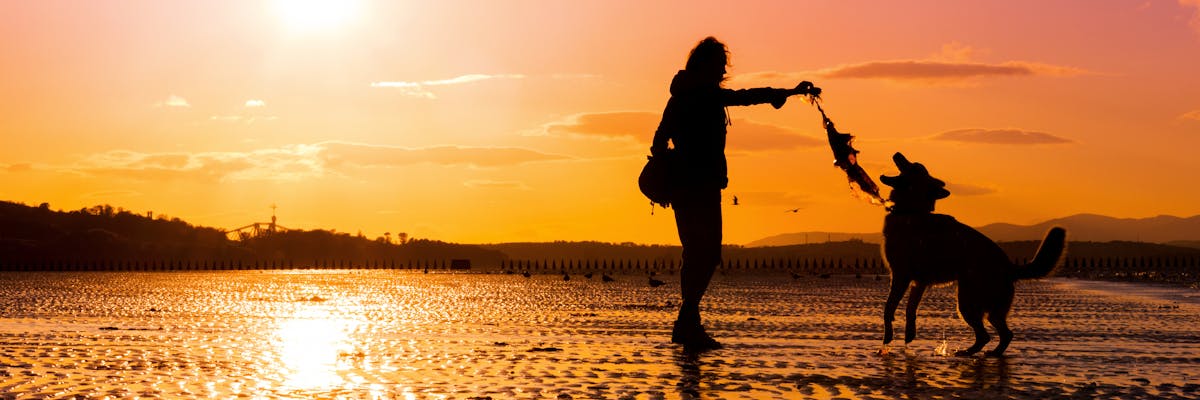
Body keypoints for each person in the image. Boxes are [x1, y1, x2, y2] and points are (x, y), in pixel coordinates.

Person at [651, 36, 817, 350]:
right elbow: (744, 97)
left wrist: (671, 169)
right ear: (705, 65)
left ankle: (687, 324)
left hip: (686, 187)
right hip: (700, 186)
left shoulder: (680, 97)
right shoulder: (703, 95)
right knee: (708, 254)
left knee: (695, 253)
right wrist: (788, 93)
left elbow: (658, 142)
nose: (722, 70)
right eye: (718, 64)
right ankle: (688, 321)